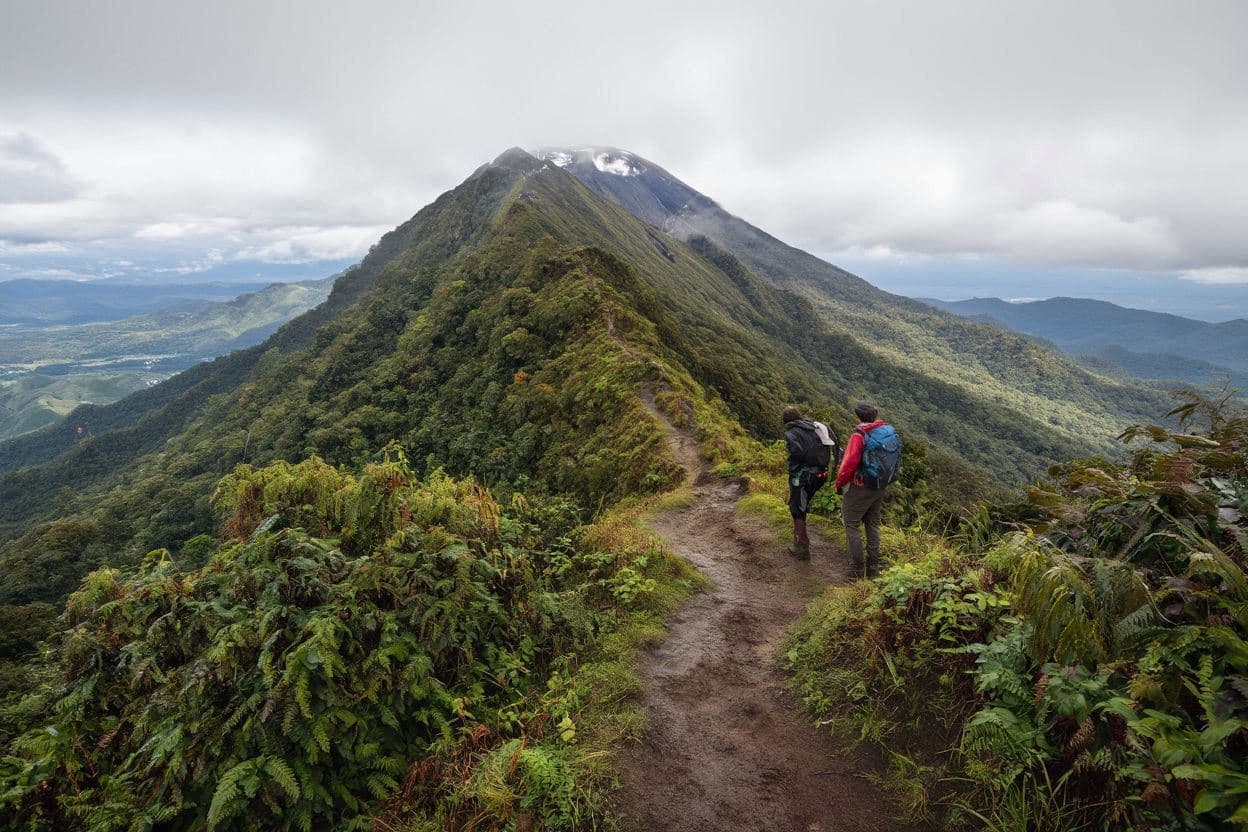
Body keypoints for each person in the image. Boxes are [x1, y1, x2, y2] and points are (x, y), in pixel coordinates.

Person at [835, 401, 901, 579]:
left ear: (858, 417)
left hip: (861, 485)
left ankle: (856, 571)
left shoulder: (859, 435)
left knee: (851, 524)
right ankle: (873, 569)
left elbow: (849, 463)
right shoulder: (885, 430)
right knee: (872, 525)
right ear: (875, 415)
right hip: (880, 485)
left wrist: (839, 483)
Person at [783, 405, 840, 560]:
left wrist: (793, 463)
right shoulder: (817, 426)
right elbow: (835, 443)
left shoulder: (791, 432)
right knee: (803, 503)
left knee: (797, 507)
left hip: (802, 476)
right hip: (821, 474)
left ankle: (801, 547)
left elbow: (796, 452)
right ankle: (801, 540)